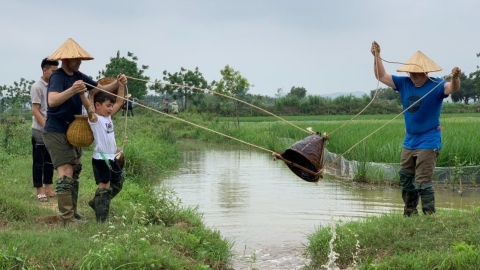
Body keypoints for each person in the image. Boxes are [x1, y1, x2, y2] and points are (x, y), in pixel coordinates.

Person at [43, 38, 127, 225]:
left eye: (80, 59)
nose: (79, 61)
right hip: (56, 128)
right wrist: (73, 90)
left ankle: (73, 212)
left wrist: (118, 83)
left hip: (73, 129)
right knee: (65, 171)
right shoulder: (58, 77)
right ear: (66, 59)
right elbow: (53, 101)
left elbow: (100, 89)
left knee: (76, 169)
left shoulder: (78, 75)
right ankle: (67, 218)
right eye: (76, 59)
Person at [371, 41, 461, 216]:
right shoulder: (404, 83)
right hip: (410, 140)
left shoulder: (437, 85)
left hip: (429, 140)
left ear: (425, 72)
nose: (413, 76)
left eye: (417, 73)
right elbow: (381, 76)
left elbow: (452, 88)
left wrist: (455, 78)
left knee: (422, 181)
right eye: (411, 72)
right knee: (405, 177)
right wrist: (376, 56)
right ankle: (410, 213)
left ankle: (429, 215)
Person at [80, 83, 125, 223]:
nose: (111, 108)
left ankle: (97, 202)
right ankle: (101, 221)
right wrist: (83, 94)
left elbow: (119, 101)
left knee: (120, 179)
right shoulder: (95, 119)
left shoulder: (108, 117)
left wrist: (121, 85)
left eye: (111, 106)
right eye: (108, 105)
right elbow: (89, 107)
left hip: (112, 158)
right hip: (101, 159)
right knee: (104, 188)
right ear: (98, 105)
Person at [30, 58, 58, 202]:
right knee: (39, 161)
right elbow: (35, 110)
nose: (55, 74)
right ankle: (39, 190)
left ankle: (48, 189)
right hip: (40, 130)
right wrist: (46, 127)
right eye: (53, 71)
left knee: (50, 161)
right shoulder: (37, 87)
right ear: (45, 70)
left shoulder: (54, 86)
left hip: (51, 130)